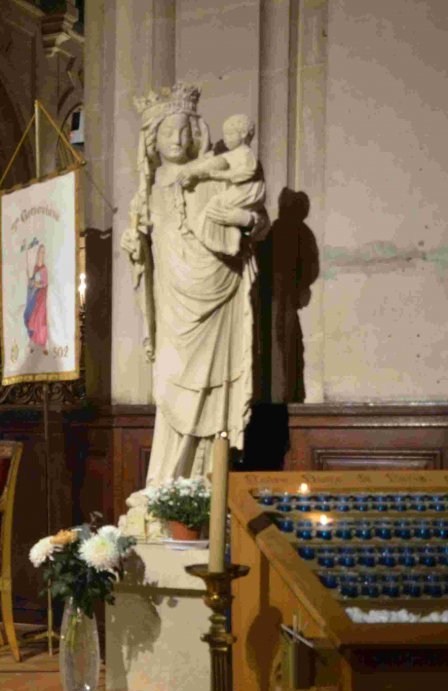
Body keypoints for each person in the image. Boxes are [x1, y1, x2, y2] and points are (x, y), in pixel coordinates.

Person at [120, 85, 269, 487]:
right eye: (168, 132)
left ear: (197, 133)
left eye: (185, 131)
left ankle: (205, 485)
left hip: (219, 287)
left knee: (215, 390)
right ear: (153, 140)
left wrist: (247, 225)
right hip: (173, 300)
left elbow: (258, 220)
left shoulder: (216, 175)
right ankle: (168, 486)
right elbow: (141, 249)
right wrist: (134, 247)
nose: (177, 140)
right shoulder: (148, 191)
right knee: (171, 379)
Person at [180, 114, 265, 257]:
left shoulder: (234, 159)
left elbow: (263, 221)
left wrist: (247, 219)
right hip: (186, 259)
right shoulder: (159, 186)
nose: (179, 140)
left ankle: (223, 240)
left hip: (230, 260)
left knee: (215, 203)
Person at [23, 244, 49, 350]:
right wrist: (31, 281)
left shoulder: (44, 268)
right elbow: (32, 281)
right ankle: (33, 340)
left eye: (43, 252)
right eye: (40, 251)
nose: (41, 254)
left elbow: (45, 283)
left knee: (40, 317)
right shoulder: (35, 267)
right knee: (31, 316)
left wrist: (37, 284)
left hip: (42, 295)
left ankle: (43, 342)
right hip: (35, 294)